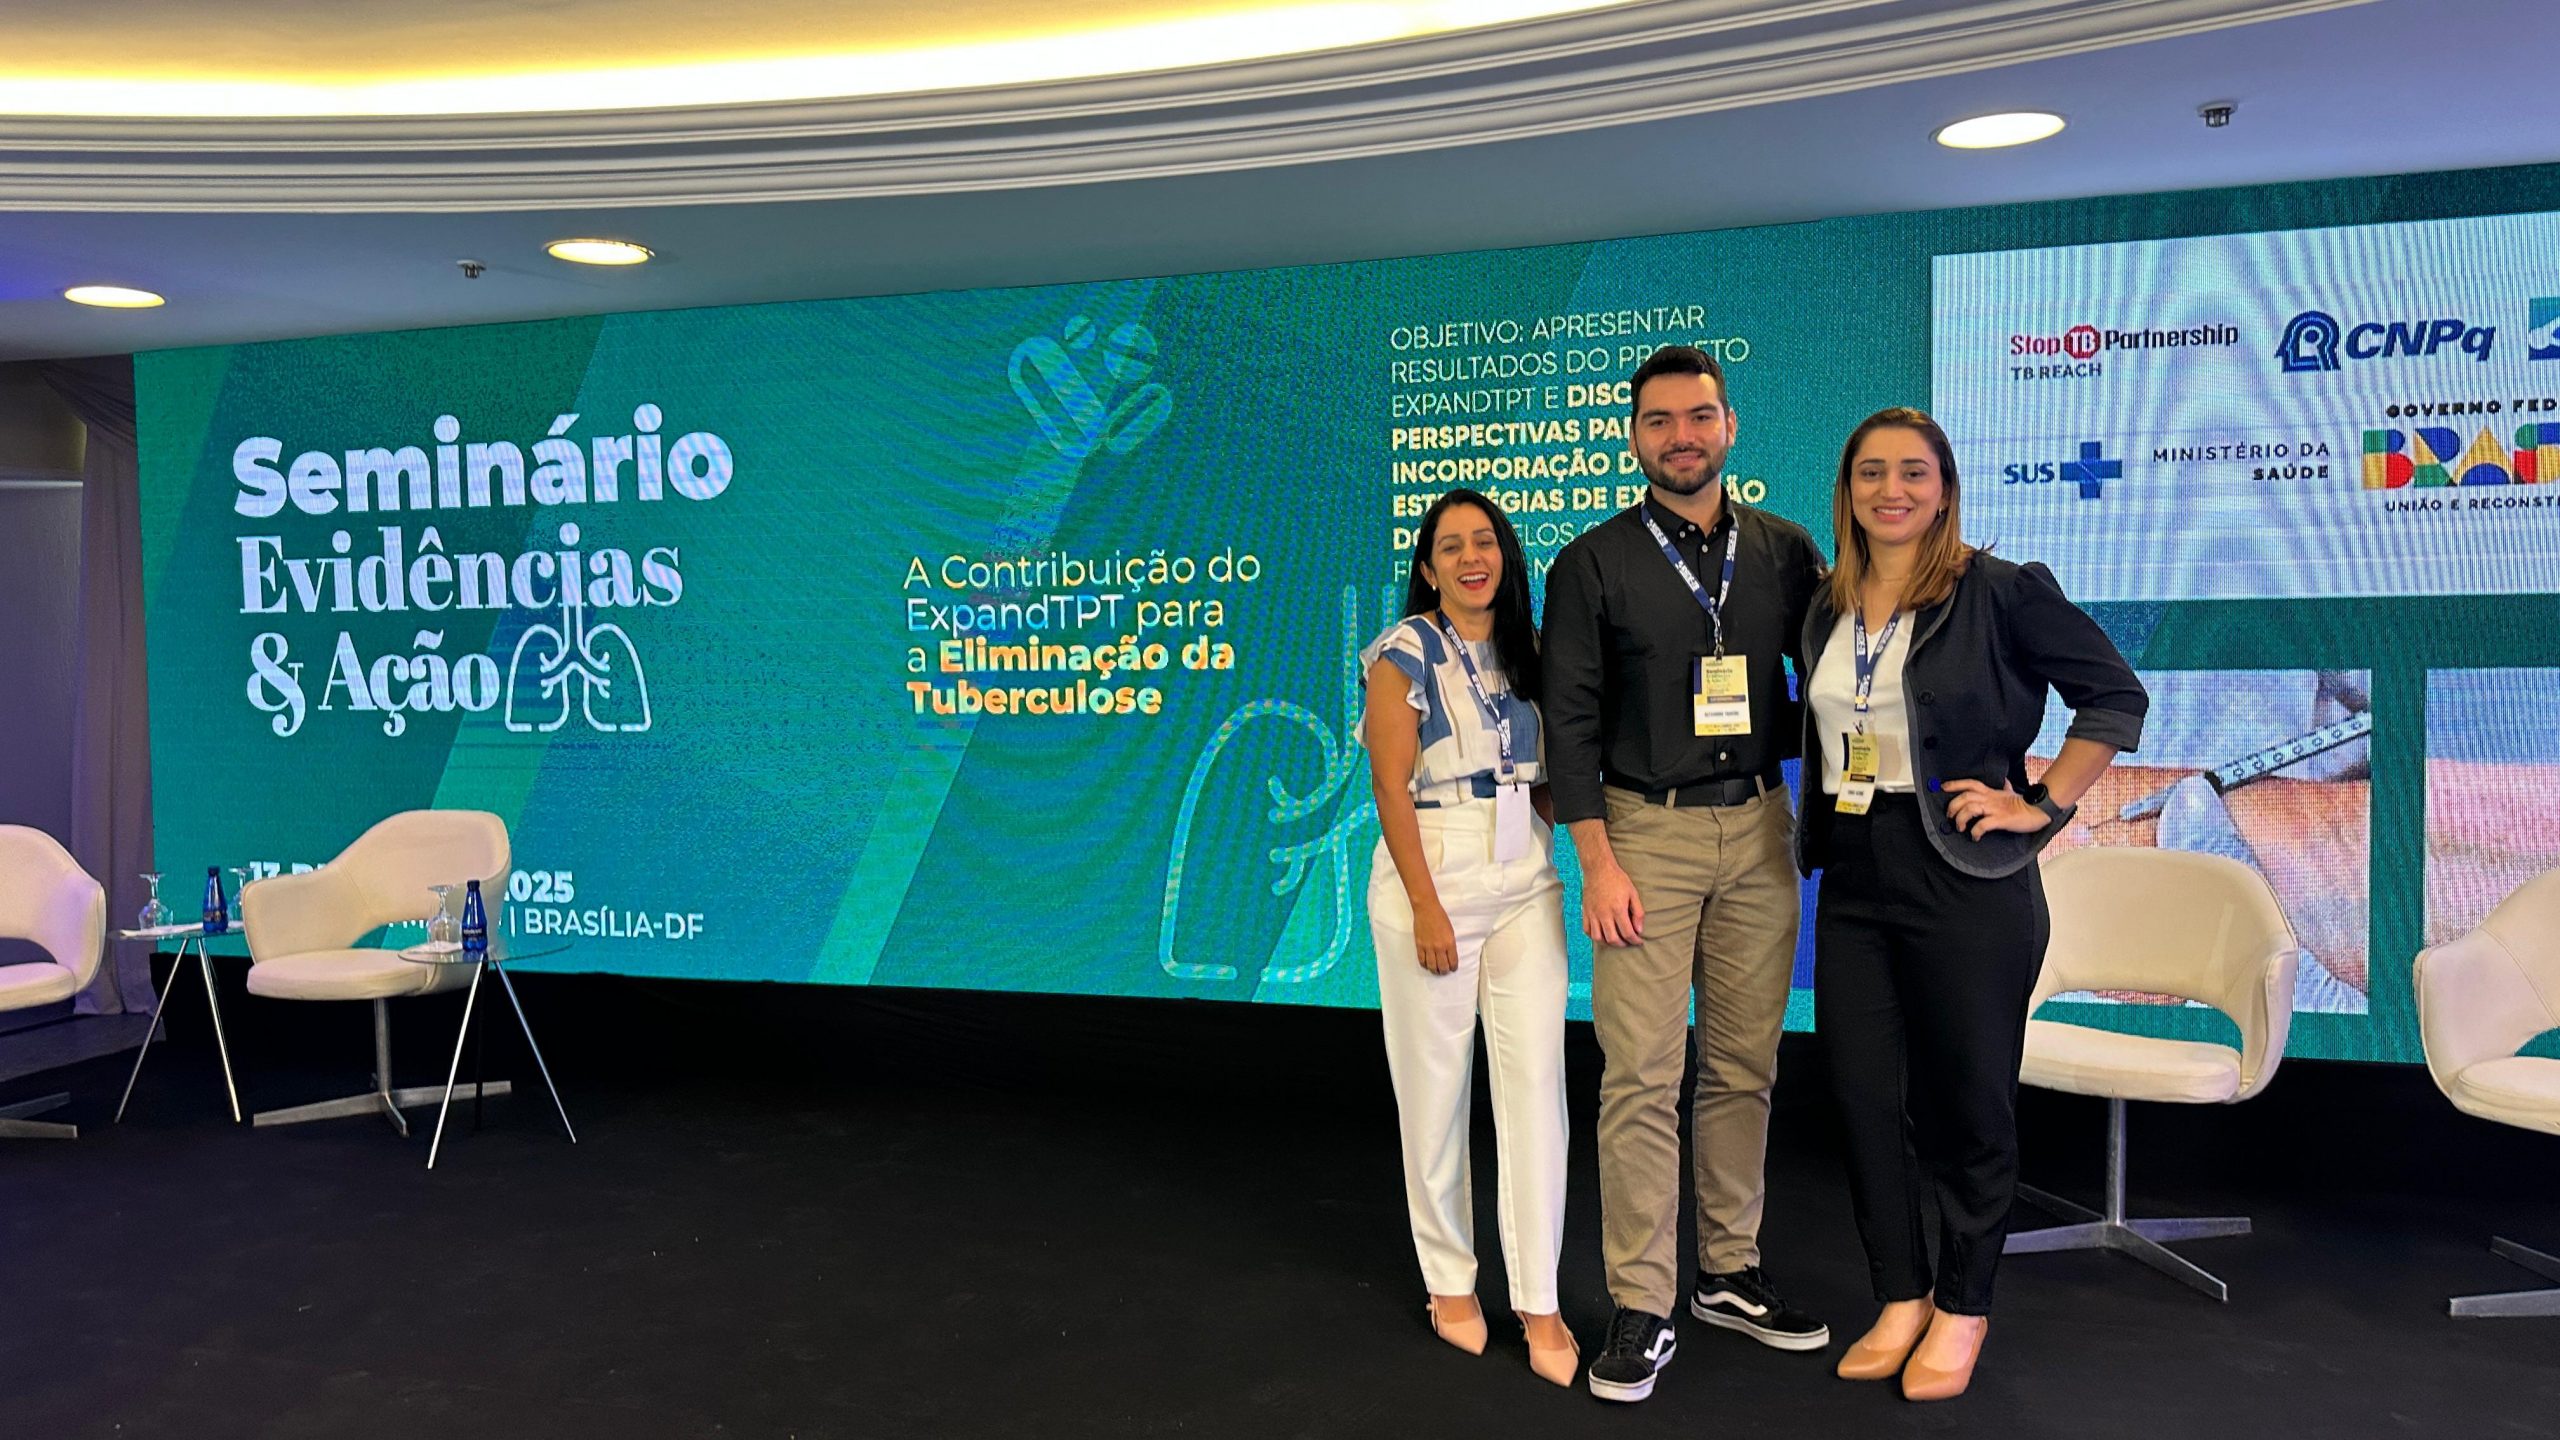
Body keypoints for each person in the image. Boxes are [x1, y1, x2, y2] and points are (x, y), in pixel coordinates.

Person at [1797, 407, 2146, 1401]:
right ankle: (1899, 1295)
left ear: (1945, 488)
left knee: (1968, 1103)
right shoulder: (1827, 605)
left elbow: (2114, 697)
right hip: (1854, 875)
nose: (1891, 490)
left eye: (1913, 472)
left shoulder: (1999, 590)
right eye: (1871, 472)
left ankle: (1962, 1304)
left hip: (1965, 878)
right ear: (1847, 490)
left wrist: (2040, 802)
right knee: (1864, 1099)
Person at [1541, 346, 1830, 1404]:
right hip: (1641, 838)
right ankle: (1641, 1301)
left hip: (1758, 828)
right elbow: (1569, 722)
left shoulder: (1785, 551)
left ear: (1730, 426)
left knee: (1744, 1066)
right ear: (1633, 437)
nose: (1681, 437)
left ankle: (1728, 1273)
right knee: (1640, 1077)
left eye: (1698, 416)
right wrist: (1596, 862)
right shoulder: (1592, 563)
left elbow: (1835, 681)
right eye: (1658, 421)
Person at [1361, 487, 1578, 1388]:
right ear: (1428, 567)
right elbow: (1388, 783)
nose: (1470, 558)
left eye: (1483, 541)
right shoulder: (1403, 650)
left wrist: (1573, 843)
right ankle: (1449, 1281)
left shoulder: (1533, 647)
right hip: (1435, 865)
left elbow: (1554, 768)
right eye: (1450, 546)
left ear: (1505, 554)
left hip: (1524, 868)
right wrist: (1425, 904)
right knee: (1436, 1089)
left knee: (1537, 1089)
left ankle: (1540, 1299)